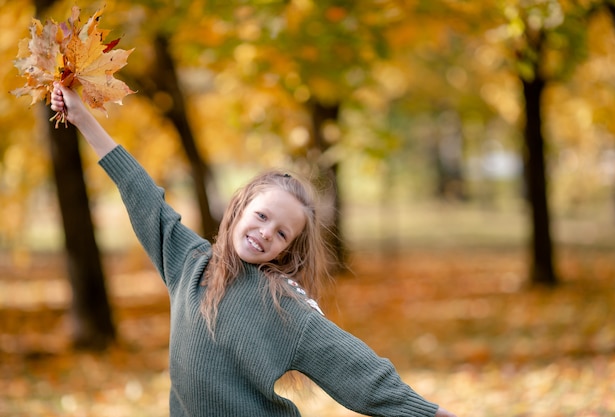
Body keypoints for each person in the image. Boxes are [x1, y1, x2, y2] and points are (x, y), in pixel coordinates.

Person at [50, 82, 458, 417]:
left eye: (282, 234)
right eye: (262, 217)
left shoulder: (284, 307)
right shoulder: (188, 262)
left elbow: (358, 371)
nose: (266, 234)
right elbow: (140, 192)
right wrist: (82, 116)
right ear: (240, 206)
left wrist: (429, 413)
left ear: (286, 250)